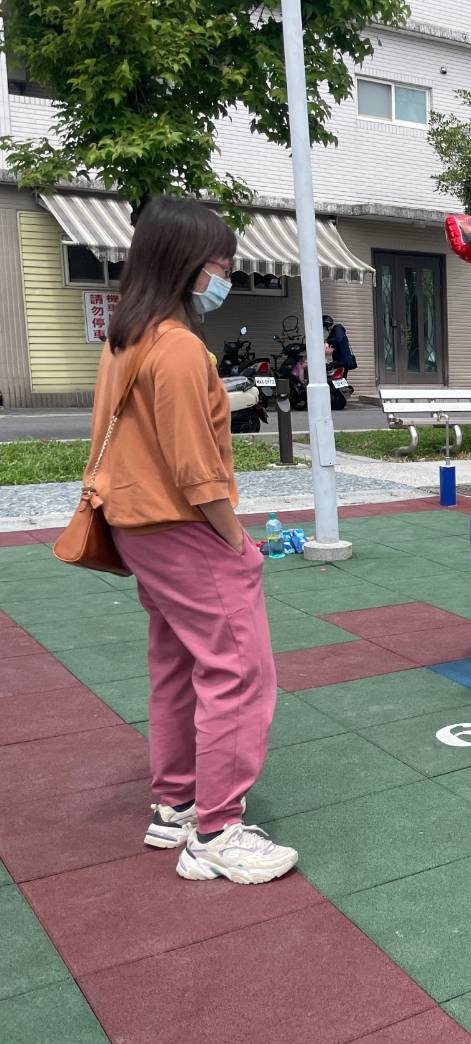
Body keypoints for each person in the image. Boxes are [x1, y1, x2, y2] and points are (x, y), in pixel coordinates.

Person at [85, 197, 297, 884]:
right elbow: (196, 470)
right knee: (238, 672)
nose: (227, 272)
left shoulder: (128, 338)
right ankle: (218, 831)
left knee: (179, 663)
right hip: (183, 526)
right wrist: (238, 542)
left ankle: (177, 800)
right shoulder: (177, 348)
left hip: (137, 523)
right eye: (220, 261)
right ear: (186, 264)